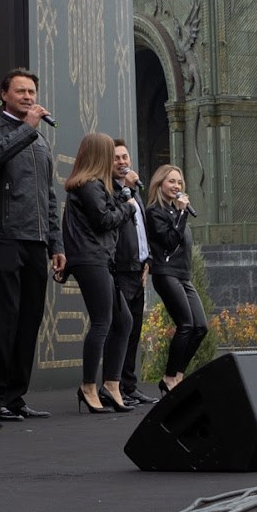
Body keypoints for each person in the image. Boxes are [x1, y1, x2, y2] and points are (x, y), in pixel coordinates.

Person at [0, 68, 62, 421]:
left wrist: (56, 242)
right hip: (4, 234)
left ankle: (15, 396)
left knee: (29, 319)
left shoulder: (41, 140)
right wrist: (27, 128)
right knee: (4, 317)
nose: (28, 97)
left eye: (32, 92)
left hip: (36, 240)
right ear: (4, 94)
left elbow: (50, 197)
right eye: (21, 91)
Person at [61, 133, 129, 414]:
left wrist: (124, 196)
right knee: (103, 321)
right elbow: (104, 220)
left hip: (98, 257)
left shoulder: (96, 185)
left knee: (122, 320)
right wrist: (128, 207)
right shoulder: (89, 185)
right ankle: (89, 385)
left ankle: (111, 384)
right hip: (90, 258)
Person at [144, 165, 206, 391]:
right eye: (171, 181)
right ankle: (170, 378)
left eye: (179, 182)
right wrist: (181, 213)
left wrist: (180, 213)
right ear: (160, 184)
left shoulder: (178, 212)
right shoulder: (154, 212)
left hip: (183, 275)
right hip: (165, 274)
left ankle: (177, 374)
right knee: (186, 324)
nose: (176, 186)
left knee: (200, 326)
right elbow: (169, 241)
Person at [109, 142, 154, 407]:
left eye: (125, 156)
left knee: (134, 330)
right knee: (120, 328)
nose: (123, 162)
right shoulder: (110, 190)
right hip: (120, 268)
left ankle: (129, 384)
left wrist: (147, 259)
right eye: (116, 158)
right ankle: (112, 384)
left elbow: (141, 229)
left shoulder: (133, 192)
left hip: (139, 269)